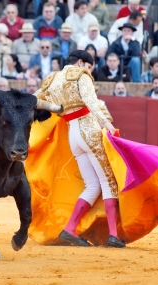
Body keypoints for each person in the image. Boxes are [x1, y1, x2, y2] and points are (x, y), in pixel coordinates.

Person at [34, 50, 125, 248]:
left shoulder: (51, 80)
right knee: (109, 181)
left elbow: (34, 101)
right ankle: (113, 235)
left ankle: (70, 229)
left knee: (92, 186)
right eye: (88, 67)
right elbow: (92, 102)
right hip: (89, 131)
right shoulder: (81, 75)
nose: (88, 71)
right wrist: (107, 125)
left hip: (72, 135)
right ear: (82, 63)